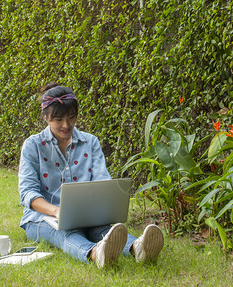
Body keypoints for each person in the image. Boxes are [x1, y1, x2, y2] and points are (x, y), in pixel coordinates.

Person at [18, 83, 164, 267]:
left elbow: (102, 181)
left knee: (104, 230)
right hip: (41, 219)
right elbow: (28, 193)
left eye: (71, 117)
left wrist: (103, 208)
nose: (66, 125)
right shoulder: (33, 146)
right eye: (58, 120)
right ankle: (96, 253)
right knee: (66, 233)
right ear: (45, 117)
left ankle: (138, 249)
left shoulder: (90, 142)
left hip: (85, 217)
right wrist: (57, 211)